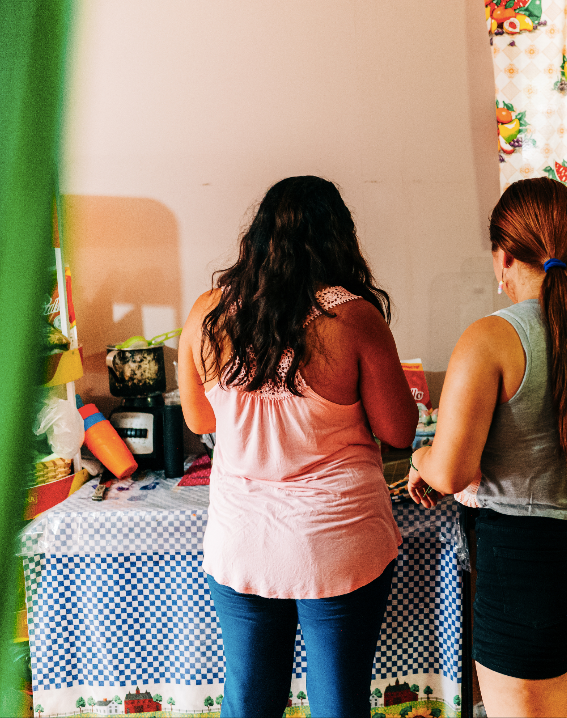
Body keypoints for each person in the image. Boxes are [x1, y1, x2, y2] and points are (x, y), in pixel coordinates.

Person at [405, 176, 567, 718]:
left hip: (529, 569)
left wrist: (419, 460)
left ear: (503, 257)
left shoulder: (490, 339)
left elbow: (451, 472)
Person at [178, 176, 418, 718]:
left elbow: (198, 418)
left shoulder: (207, 314)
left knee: (250, 700)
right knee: (337, 700)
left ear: (257, 236)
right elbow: (400, 431)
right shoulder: (353, 317)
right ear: (339, 239)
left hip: (242, 538)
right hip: (335, 541)